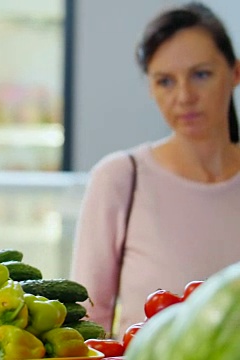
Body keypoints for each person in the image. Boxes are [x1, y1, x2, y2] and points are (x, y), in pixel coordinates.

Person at [70, 1, 240, 338]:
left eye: (201, 74)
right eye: (165, 81)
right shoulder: (120, 178)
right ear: (151, 87)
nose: (184, 96)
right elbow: (88, 320)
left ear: (235, 73)